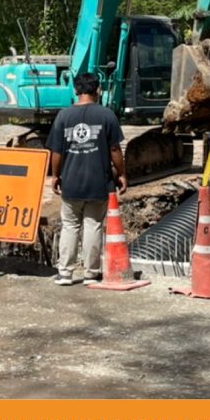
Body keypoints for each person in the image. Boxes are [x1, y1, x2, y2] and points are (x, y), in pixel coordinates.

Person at [47, 72, 128, 286]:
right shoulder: (107, 115)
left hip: (71, 183)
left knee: (70, 225)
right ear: (98, 90)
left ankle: (65, 273)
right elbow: (115, 149)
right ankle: (91, 274)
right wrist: (121, 174)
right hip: (98, 183)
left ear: (75, 90)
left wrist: (56, 175)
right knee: (93, 225)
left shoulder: (63, 116)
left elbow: (57, 151)